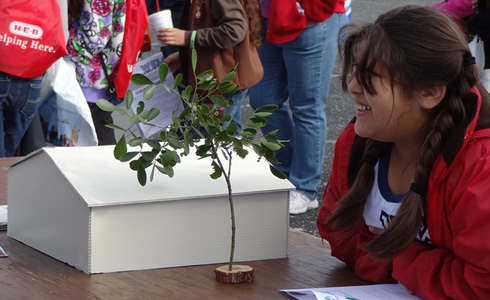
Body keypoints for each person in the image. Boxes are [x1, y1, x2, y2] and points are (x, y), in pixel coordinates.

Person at [317, 5, 490, 299]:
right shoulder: (355, 142)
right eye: (354, 71)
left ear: (430, 93)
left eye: (370, 76)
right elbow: (336, 230)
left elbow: (482, 283)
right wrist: (414, 264)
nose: (352, 86)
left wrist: (400, 257)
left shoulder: (480, 166)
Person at [248, 0, 347, 214]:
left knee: (306, 108)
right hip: (266, 17)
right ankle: (287, 172)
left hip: (311, 17)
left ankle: (305, 186)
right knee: (262, 100)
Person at [156, 0, 263, 134]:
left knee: (207, 137)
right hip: (223, 77)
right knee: (227, 137)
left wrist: (188, 37)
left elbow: (234, 31)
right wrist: (184, 56)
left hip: (224, 82)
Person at [67, 0, 126, 145]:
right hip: (93, 79)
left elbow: (93, 41)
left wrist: (50, 45)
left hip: (88, 79)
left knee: (94, 148)